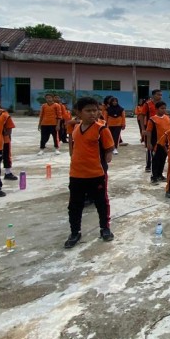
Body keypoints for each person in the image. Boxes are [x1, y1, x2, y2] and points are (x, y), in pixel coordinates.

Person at [64, 97, 116, 248]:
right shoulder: (76, 128)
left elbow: (109, 149)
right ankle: (75, 232)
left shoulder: (101, 129)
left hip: (96, 173)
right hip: (76, 174)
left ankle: (105, 228)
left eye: (95, 110)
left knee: (101, 202)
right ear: (79, 112)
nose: (93, 113)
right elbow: (73, 146)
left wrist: (104, 160)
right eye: (88, 111)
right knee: (74, 205)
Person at [145, 101, 170, 183]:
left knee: (163, 159)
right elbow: (149, 131)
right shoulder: (152, 119)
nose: (164, 110)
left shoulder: (167, 118)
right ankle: (154, 176)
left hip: (165, 143)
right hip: (156, 143)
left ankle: (160, 174)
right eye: (162, 108)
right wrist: (148, 143)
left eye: (165, 108)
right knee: (156, 160)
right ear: (156, 109)